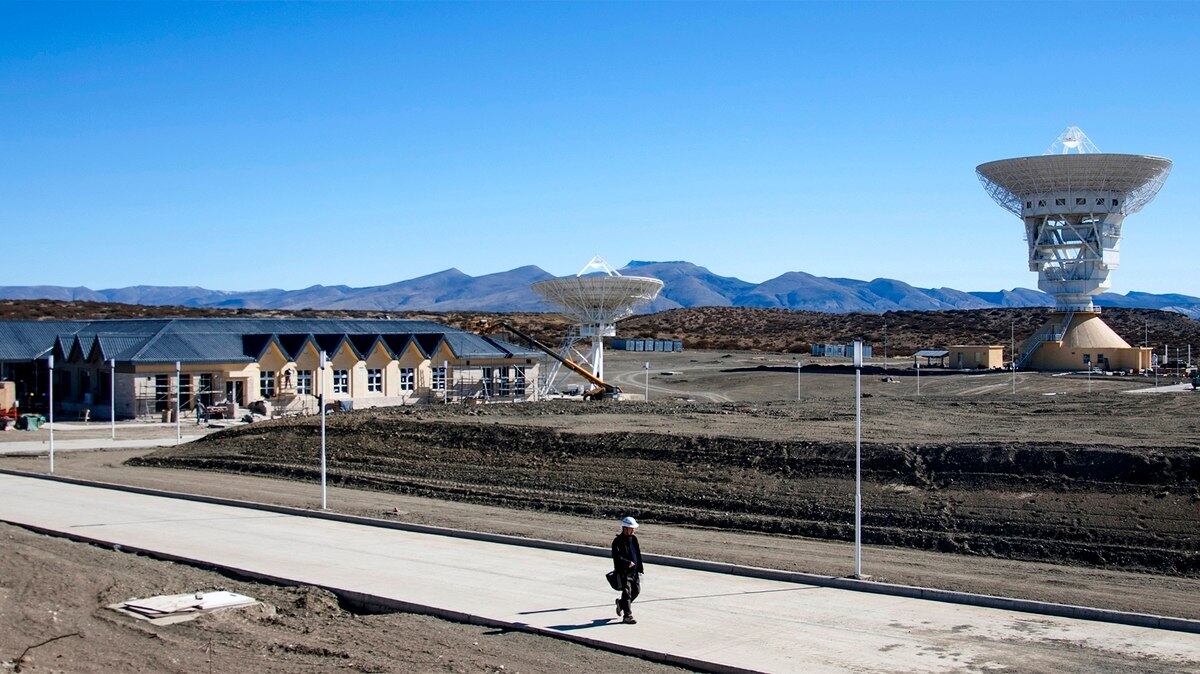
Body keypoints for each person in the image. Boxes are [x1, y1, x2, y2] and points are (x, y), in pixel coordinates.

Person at [611, 516, 644, 624]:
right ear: (625, 528)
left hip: (634, 571)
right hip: (623, 572)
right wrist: (627, 563)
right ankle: (627, 616)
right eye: (632, 528)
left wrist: (640, 568)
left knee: (636, 590)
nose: (634, 530)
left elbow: (637, 554)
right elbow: (616, 556)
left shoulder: (634, 539)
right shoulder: (617, 541)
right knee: (627, 592)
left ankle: (621, 604)